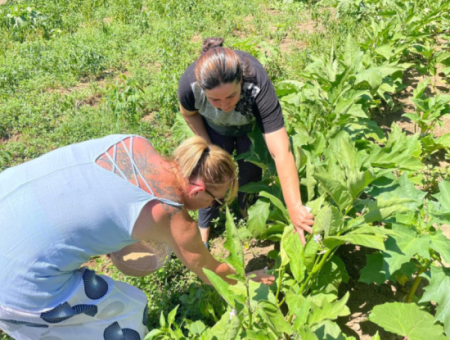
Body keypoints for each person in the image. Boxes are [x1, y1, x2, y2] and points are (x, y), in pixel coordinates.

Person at [0, 134, 274, 340]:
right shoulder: (172, 215)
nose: (211, 208)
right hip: (16, 283)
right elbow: (211, 272)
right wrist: (248, 283)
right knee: (129, 310)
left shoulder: (135, 142)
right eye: (214, 202)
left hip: (7, 201)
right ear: (197, 191)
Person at [178, 37, 314, 246]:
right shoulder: (190, 85)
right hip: (215, 128)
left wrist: (295, 207)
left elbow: (281, 152)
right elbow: (189, 113)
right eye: (215, 100)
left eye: (231, 96)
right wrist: (209, 146)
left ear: (241, 81)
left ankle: (246, 213)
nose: (224, 105)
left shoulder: (257, 82)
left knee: (250, 173)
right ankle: (203, 229)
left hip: (249, 129)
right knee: (210, 175)